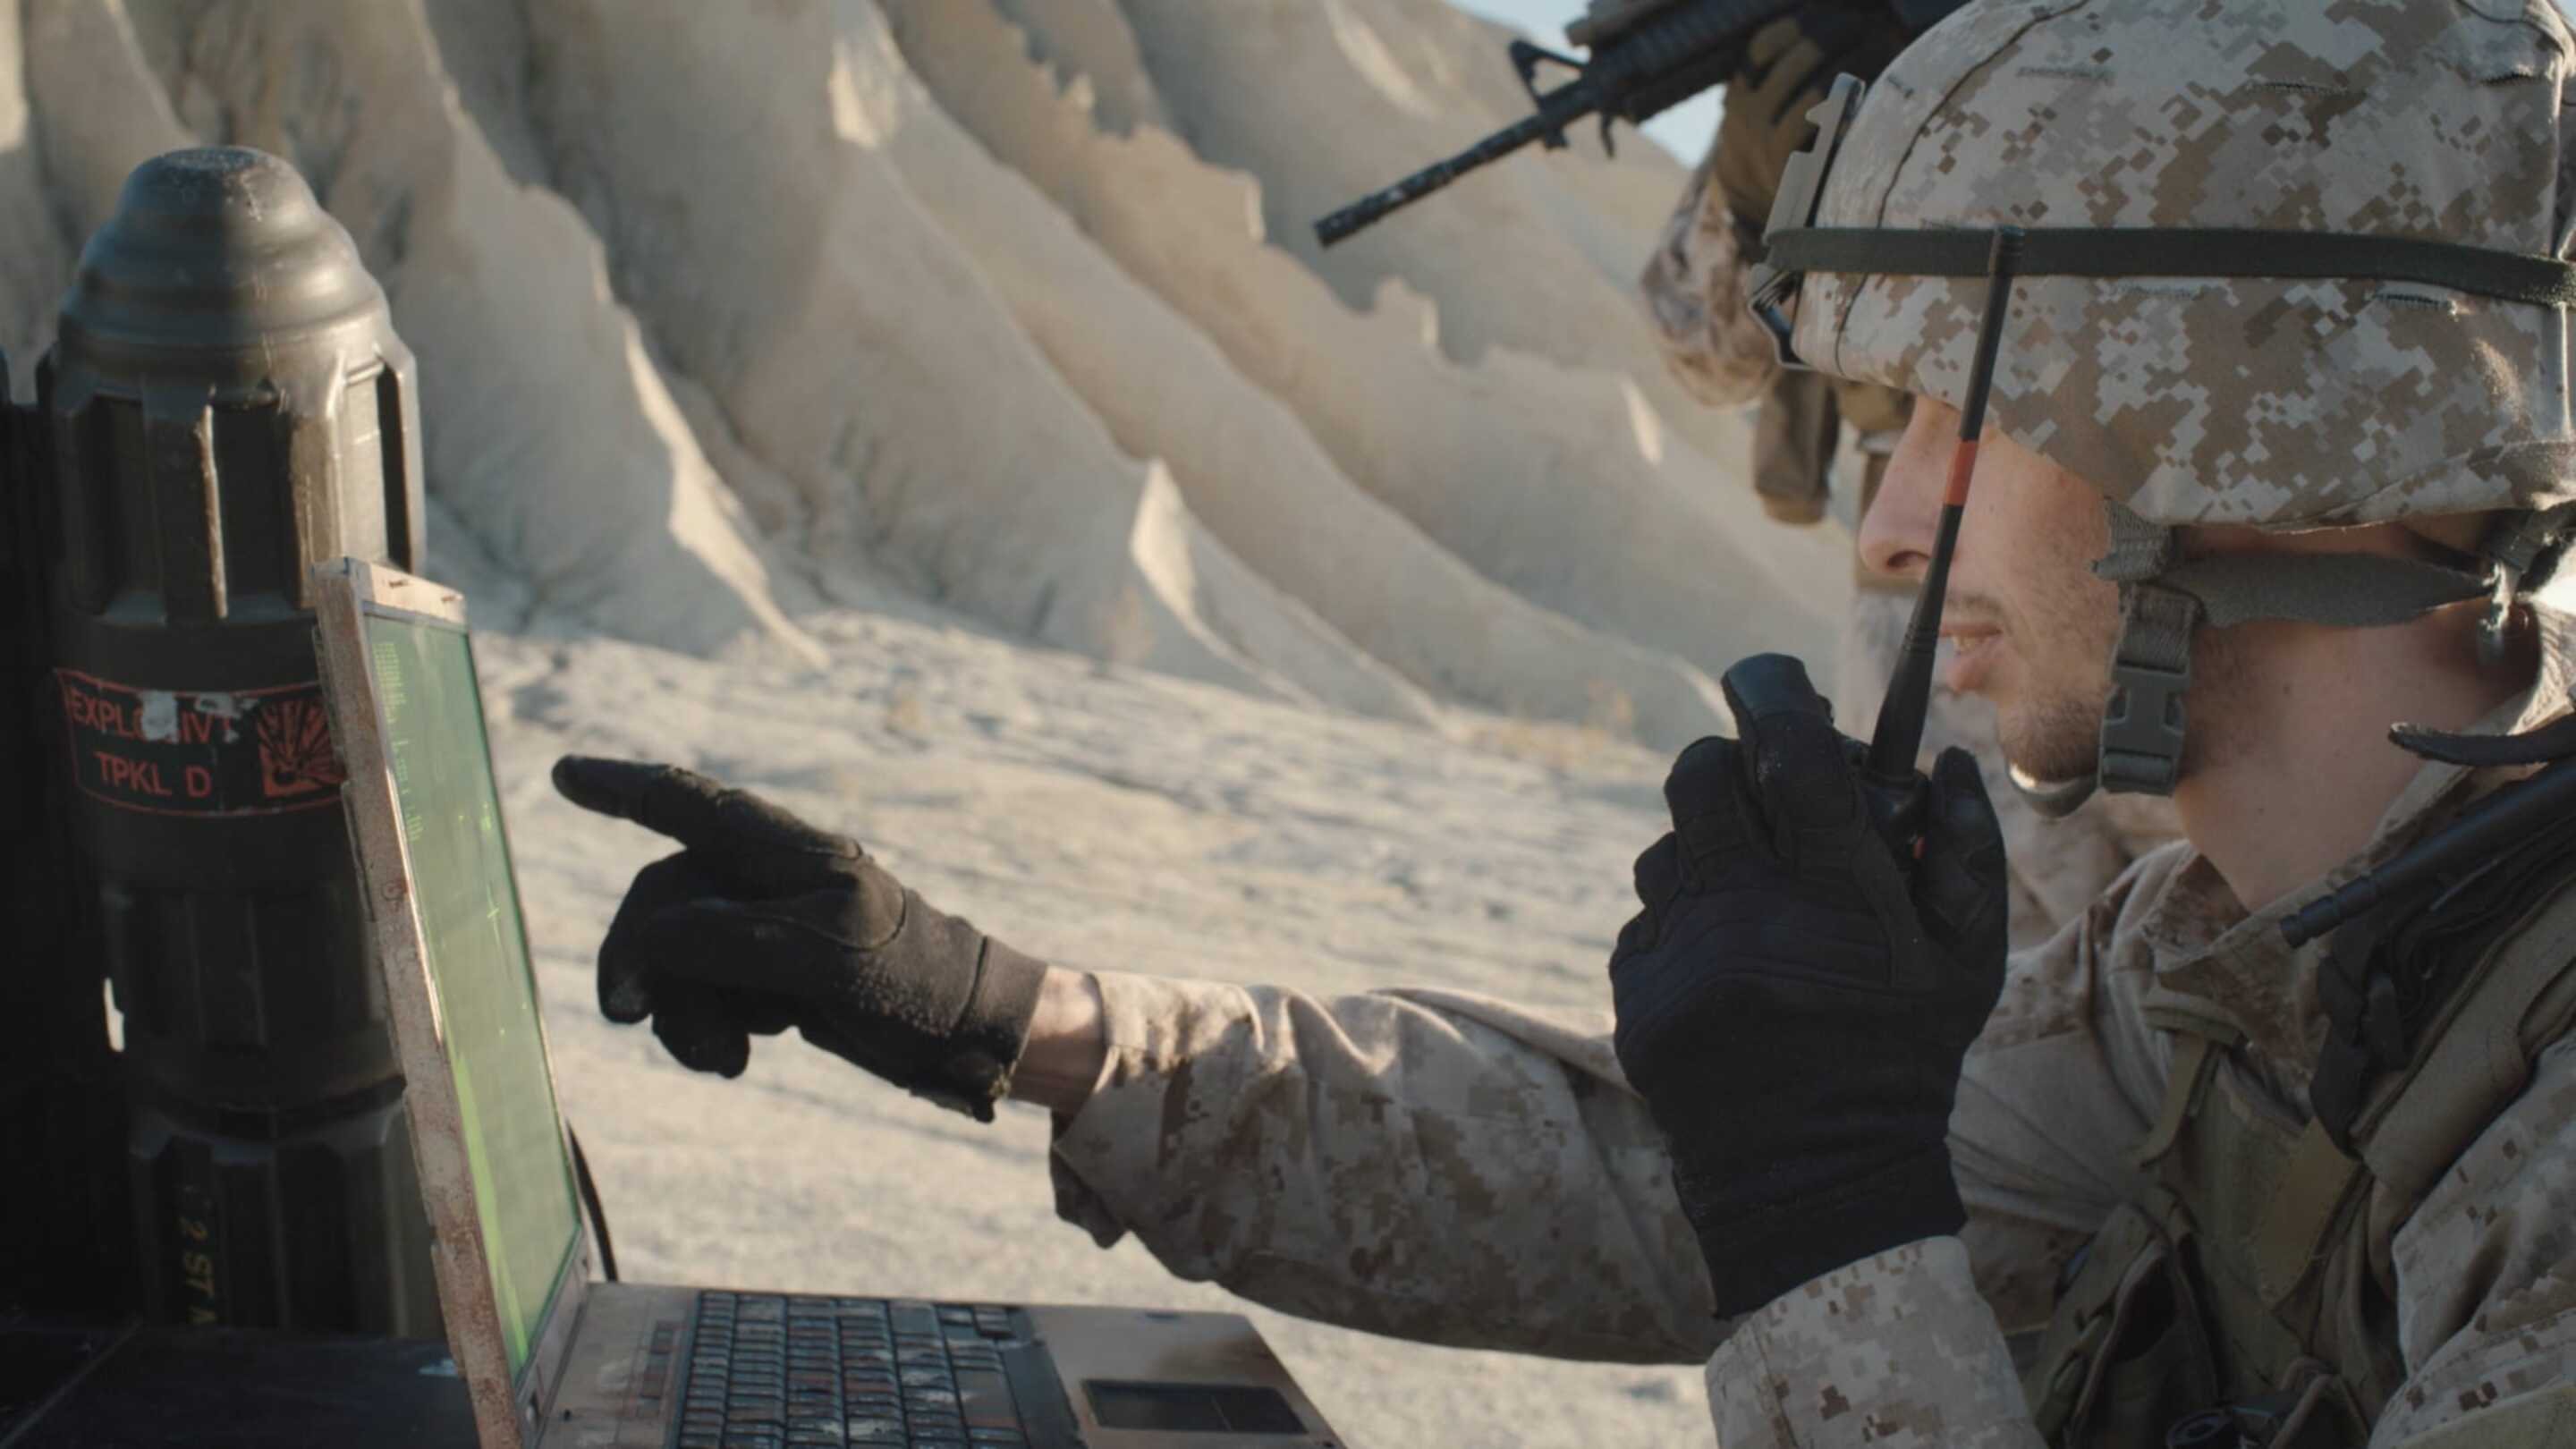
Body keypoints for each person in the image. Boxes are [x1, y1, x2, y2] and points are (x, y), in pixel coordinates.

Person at [556, 1, 2576, 1443]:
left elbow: (1801, 1201)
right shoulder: (2223, 977)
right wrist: (1009, 1010)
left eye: (1958, 417)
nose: (1881, 528)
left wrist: (1837, 1225)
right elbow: (1639, 1177)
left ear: (2221, 432)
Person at [1639, 0, 2177, 950]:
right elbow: (1706, 346)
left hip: (2218, 555)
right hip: (1953, 587)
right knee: (1986, 971)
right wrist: (1769, 195)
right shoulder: (1836, 46)